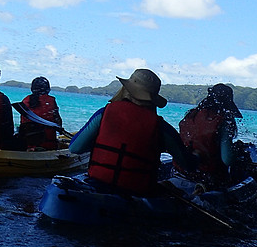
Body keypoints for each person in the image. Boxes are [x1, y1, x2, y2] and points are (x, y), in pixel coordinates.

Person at [69, 68, 197, 196]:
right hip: (137, 194)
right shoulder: (162, 127)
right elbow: (188, 165)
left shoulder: (104, 114)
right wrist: (197, 156)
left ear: (126, 90)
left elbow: (75, 148)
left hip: (97, 185)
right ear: (152, 100)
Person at [176, 83, 243, 187]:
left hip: (180, 172)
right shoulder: (224, 121)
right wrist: (238, 153)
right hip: (208, 178)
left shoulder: (191, 115)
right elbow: (227, 159)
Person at [18, 76, 63, 150]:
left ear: (32, 89)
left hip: (28, 145)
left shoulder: (25, 101)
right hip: (48, 145)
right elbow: (58, 123)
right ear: (47, 89)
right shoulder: (51, 101)